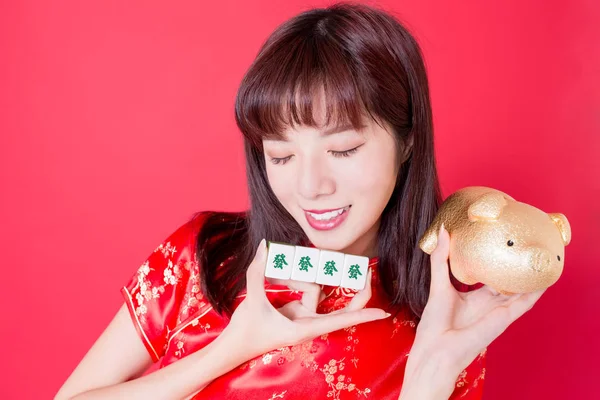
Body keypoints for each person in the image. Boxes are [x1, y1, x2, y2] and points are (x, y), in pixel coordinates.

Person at [55, 3, 544, 399]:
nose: (310, 186)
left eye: (343, 149)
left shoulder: (443, 319)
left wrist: (428, 381)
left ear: (408, 141)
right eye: (281, 155)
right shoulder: (203, 255)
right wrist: (228, 352)